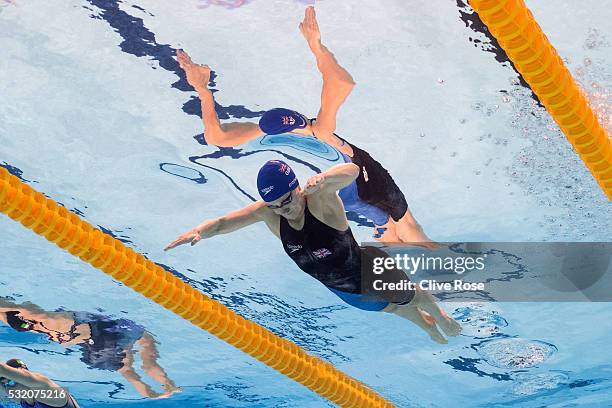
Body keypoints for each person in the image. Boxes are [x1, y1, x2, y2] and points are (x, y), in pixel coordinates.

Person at [175, 6, 437, 247]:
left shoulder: (314, 130)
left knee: (410, 232)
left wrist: (316, 46)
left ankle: (448, 273)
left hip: (364, 177)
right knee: (388, 236)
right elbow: (215, 137)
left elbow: (344, 84)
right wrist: (202, 90)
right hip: (344, 196)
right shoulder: (266, 132)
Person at [165, 160, 460, 343]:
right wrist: (201, 230)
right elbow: (223, 222)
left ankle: (442, 318)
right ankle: (429, 327)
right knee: (400, 310)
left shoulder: (319, 199)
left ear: (297, 188)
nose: (285, 209)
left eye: (288, 199)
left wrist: (327, 177)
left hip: (369, 270)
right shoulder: (269, 213)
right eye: (275, 205)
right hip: (345, 291)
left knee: (413, 297)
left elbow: (353, 171)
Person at [0, 298, 180, 399]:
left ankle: (162, 388)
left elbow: (144, 367)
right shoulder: (41, 319)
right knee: (128, 367)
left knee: (133, 366)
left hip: (95, 332)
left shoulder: (44, 318)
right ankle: (160, 390)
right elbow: (145, 366)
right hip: (87, 335)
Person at [0, 358, 80, 408]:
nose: (8, 389)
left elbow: (2, 369)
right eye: (4, 385)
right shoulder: (22, 397)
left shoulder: (47, 392)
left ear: (22, 380)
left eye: (10, 383)